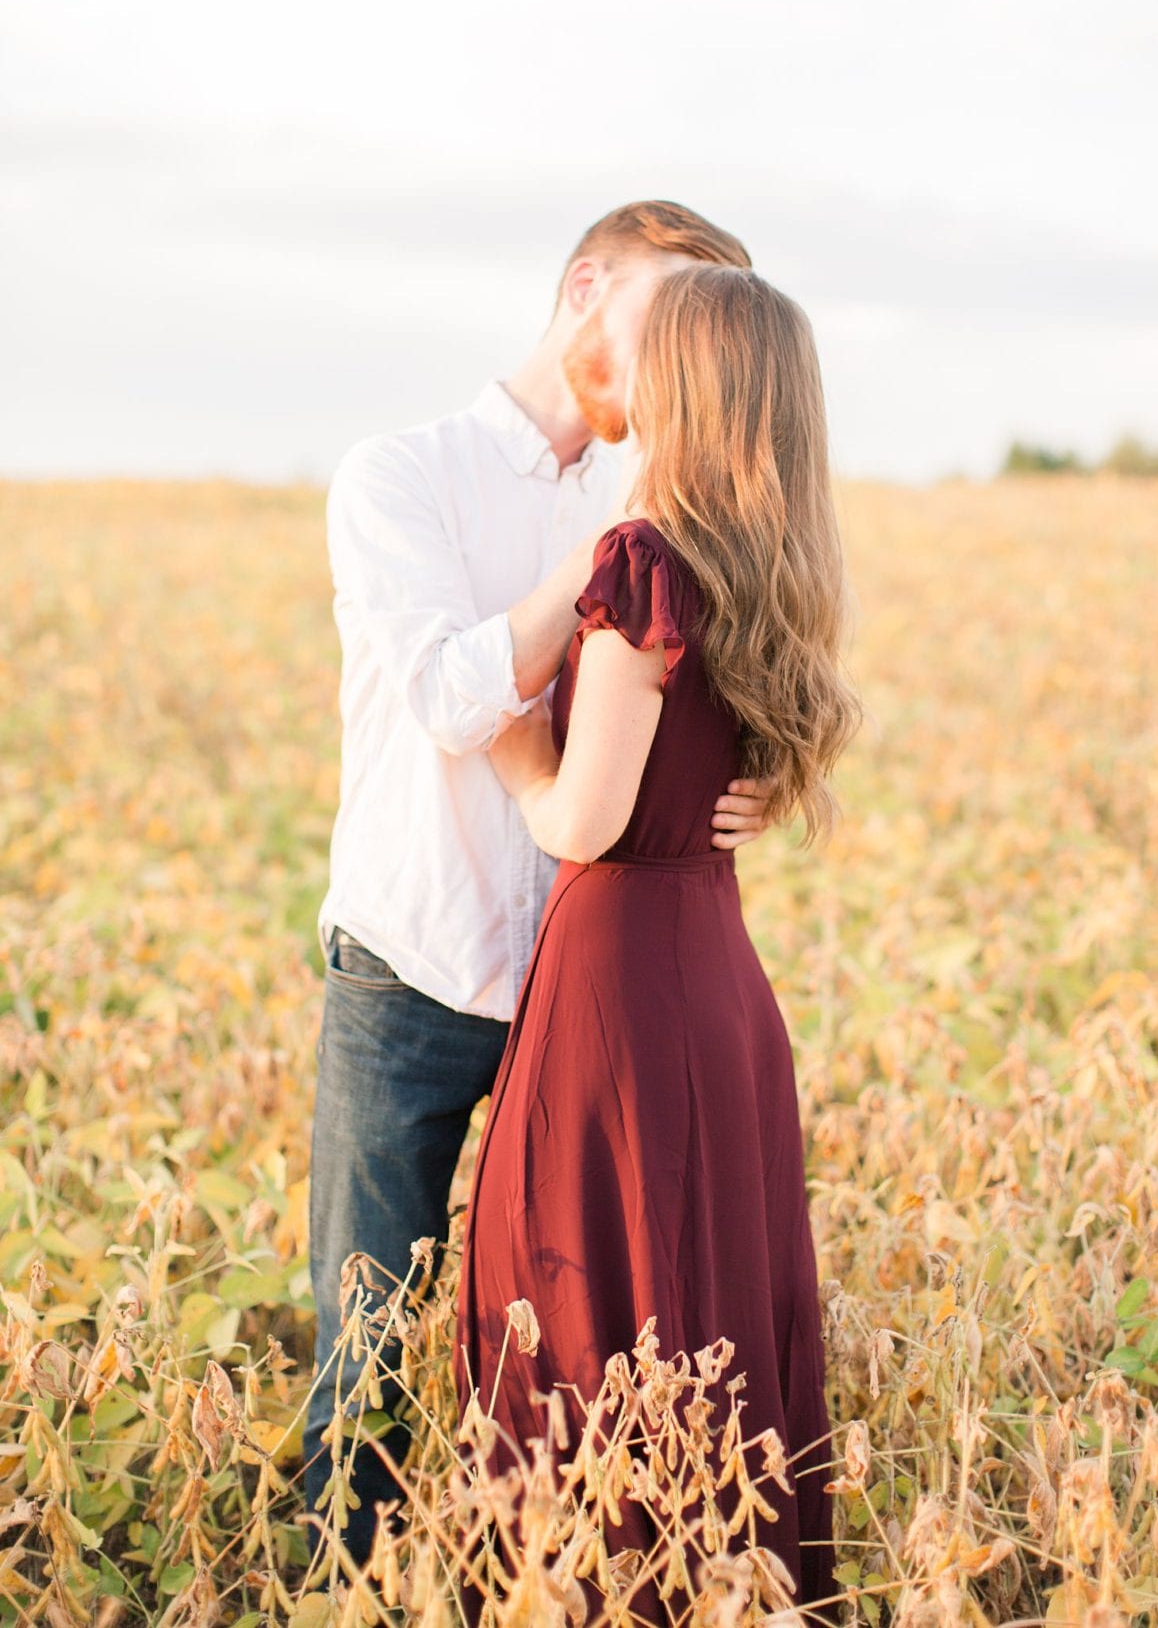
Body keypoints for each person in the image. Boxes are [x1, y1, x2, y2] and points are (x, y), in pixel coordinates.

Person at [303, 202, 779, 1569]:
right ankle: (354, 1589)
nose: (681, 358)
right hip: (414, 964)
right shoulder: (400, 475)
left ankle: (510, 1573)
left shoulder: (663, 503)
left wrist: (759, 784)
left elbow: (723, 687)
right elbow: (453, 697)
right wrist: (601, 563)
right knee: (372, 1336)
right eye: (664, 318)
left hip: (582, 993)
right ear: (588, 290)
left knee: (559, 1334)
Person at [455, 263, 862, 1622]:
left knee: (586, 1304)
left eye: (635, 343)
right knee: (708, 1310)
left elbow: (583, 818)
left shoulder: (643, 563)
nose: (604, 356)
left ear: (686, 384)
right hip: (717, 977)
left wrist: (510, 747)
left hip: (620, 973)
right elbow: (729, 772)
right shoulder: (773, 562)